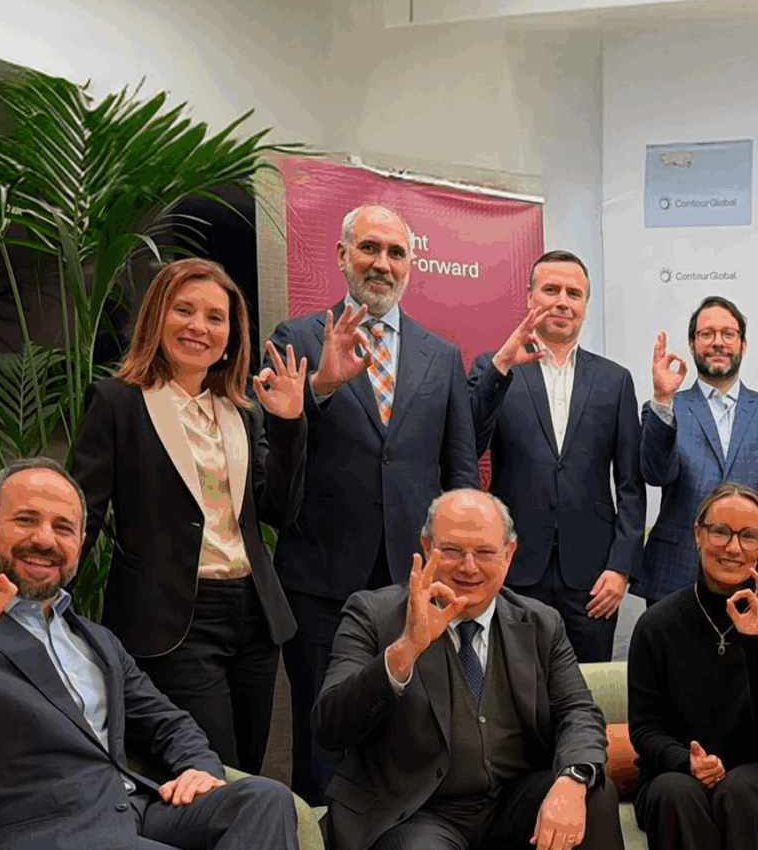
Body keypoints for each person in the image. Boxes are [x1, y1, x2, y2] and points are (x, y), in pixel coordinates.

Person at [0, 458, 299, 850]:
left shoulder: (97, 641)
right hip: (45, 833)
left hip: (137, 814)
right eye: (26, 519)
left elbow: (167, 722)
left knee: (264, 799)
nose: (44, 539)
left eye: (63, 528)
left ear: (80, 543)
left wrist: (199, 767)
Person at [263, 204, 481, 804]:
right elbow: (274, 458)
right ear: (342, 255)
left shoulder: (443, 355)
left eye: (396, 252)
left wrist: (460, 566)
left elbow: (461, 472)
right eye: (369, 248)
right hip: (320, 582)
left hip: (414, 583)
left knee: (410, 733)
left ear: (411, 265)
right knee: (324, 737)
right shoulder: (296, 340)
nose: (382, 263)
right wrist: (321, 387)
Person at [68, 258, 304, 774]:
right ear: (157, 316)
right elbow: (82, 516)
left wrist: (288, 426)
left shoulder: (242, 413)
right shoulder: (117, 402)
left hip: (254, 618)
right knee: (209, 773)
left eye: (215, 317)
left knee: (247, 773)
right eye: (184, 310)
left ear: (231, 336)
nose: (199, 326)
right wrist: (40, 606)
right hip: (171, 620)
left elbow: (279, 511)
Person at [311, 489, 624, 850]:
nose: (469, 567)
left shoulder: (541, 623)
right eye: (452, 551)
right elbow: (329, 727)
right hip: (413, 812)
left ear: (509, 553)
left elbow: (578, 712)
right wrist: (405, 649)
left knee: (593, 796)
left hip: (510, 802)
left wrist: (573, 779)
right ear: (426, 546)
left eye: (485, 552)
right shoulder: (372, 614)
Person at [470, 250, 645, 663]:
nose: (563, 302)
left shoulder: (615, 381)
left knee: (586, 688)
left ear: (585, 305)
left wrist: (621, 568)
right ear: (530, 297)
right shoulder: (496, 367)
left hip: (593, 578)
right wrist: (500, 367)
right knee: (514, 684)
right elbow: (468, 443)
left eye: (574, 293)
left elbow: (631, 485)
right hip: (513, 569)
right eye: (551, 290)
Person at [627, 482, 758, 850]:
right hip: (675, 774)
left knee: (740, 789)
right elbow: (645, 728)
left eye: (748, 536)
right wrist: (685, 761)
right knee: (675, 792)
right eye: (720, 531)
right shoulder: (656, 625)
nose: (733, 548)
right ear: (699, 534)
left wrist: (757, 641)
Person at [640, 296, 758, 600]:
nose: (718, 342)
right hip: (676, 573)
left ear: (743, 345)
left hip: (755, 573)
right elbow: (656, 474)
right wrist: (662, 399)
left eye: (728, 334)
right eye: (707, 334)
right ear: (692, 345)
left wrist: (751, 543)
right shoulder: (665, 408)